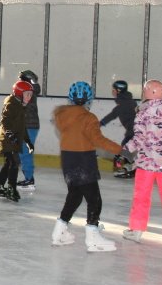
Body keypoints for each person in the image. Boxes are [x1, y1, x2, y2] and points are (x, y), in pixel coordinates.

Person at [51, 80, 123, 252]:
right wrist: (121, 150)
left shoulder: (62, 116)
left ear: (70, 98)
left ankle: (59, 232)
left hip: (68, 161)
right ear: (89, 99)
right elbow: (98, 140)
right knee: (94, 199)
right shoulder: (89, 118)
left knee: (75, 196)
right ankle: (93, 237)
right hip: (84, 161)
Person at [121, 80, 162, 246]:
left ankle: (136, 230)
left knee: (142, 196)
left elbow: (139, 138)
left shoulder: (143, 113)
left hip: (147, 164)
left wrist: (125, 150)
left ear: (148, 92)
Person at [0, 79, 33, 202]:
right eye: (27, 94)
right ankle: (11, 188)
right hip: (7, 140)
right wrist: (10, 134)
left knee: (9, 164)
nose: (29, 97)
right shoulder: (11, 104)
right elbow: (4, 121)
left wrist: (28, 141)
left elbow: (22, 127)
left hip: (13, 140)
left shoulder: (20, 106)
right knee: (14, 163)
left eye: (31, 95)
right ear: (19, 93)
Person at [100, 79, 138, 178]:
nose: (112, 91)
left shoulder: (122, 105)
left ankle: (128, 169)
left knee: (123, 151)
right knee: (126, 150)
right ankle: (132, 168)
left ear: (118, 91)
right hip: (136, 131)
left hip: (133, 132)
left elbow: (112, 115)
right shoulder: (131, 101)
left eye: (114, 90)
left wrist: (100, 124)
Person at [16, 69, 42, 189]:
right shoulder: (30, 91)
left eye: (21, 80)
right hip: (28, 126)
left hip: (29, 126)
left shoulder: (28, 92)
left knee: (25, 153)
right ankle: (28, 178)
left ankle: (29, 180)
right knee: (24, 152)